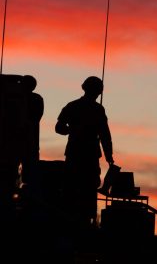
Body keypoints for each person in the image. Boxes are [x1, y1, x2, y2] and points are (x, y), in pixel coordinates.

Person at [55, 76, 114, 228]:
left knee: (79, 188)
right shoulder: (96, 109)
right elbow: (105, 135)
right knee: (81, 189)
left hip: (80, 153)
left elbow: (59, 127)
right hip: (85, 154)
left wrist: (71, 131)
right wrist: (109, 156)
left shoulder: (74, 106)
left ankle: (74, 222)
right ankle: (82, 222)